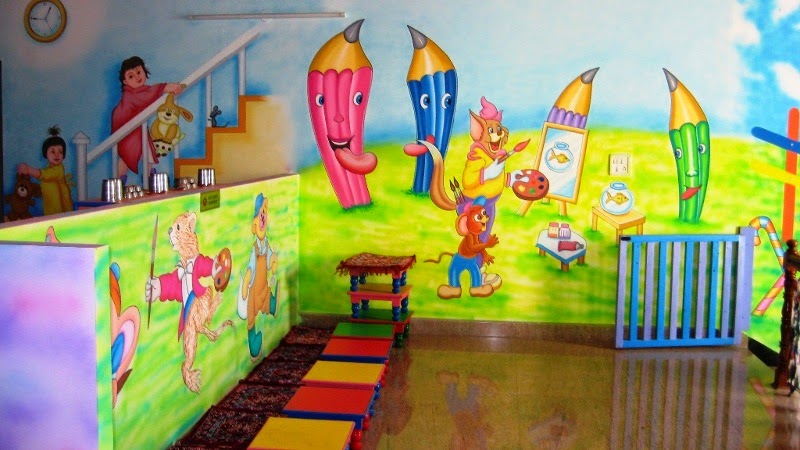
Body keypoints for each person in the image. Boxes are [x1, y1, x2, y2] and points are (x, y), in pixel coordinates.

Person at [111, 56, 183, 184]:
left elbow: (146, 95)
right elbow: (145, 97)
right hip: (125, 128)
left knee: (146, 151)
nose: (137, 77)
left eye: (139, 72)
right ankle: (119, 181)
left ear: (144, 71)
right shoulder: (130, 95)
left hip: (135, 128)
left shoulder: (138, 92)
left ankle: (148, 176)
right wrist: (165, 87)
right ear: (125, 81)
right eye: (131, 76)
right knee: (128, 155)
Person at [17, 126, 74, 215]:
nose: (57, 155)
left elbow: (46, 175)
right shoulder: (49, 167)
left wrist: (29, 170)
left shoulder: (58, 169)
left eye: (60, 152)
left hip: (61, 208)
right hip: (51, 206)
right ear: (45, 153)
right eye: (53, 152)